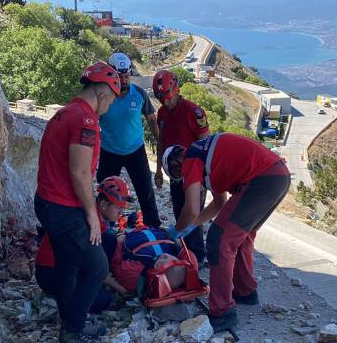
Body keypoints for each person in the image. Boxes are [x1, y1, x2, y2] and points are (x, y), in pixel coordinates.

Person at [162, 133, 291, 333]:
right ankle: (245, 291)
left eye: (179, 176)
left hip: (262, 179)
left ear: (175, 164)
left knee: (219, 240)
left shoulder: (190, 159)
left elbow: (191, 209)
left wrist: (175, 231)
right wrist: (193, 224)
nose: (185, 178)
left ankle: (222, 312)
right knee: (242, 236)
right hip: (278, 176)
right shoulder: (204, 155)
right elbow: (219, 203)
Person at [34, 61, 120, 342]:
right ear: (103, 94)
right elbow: (80, 172)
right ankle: (73, 330)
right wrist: (92, 215)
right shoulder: (86, 120)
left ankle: (67, 319)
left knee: (68, 264)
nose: (108, 110)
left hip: (46, 203)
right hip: (64, 208)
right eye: (110, 103)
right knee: (97, 267)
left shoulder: (62, 114)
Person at [35, 176, 136, 312]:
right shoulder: (88, 224)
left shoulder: (93, 216)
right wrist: (118, 287)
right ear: (103, 204)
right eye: (118, 208)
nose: (121, 213)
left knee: (110, 240)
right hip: (51, 272)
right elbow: (95, 265)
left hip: (61, 265)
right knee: (102, 300)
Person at [98, 52, 161, 228]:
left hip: (136, 151)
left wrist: (160, 143)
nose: (124, 80)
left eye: (126, 75)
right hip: (109, 152)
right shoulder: (103, 97)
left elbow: (152, 121)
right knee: (105, 192)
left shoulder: (139, 94)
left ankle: (153, 227)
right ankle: (105, 228)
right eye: (119, 75)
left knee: (145, 191)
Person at [152, 69, 210, 263]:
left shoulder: (194, 112)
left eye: (168, 97)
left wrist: (203, 176)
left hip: (195, 173)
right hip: (175, 172)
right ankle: (187, 251)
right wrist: (159, 169)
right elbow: (162, 142)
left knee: (193, 214)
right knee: (179, 212)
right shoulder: (161, 113)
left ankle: (198, 255)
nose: (165, 103)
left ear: (176, 90)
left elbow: (206, 144)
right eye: (161, 99)